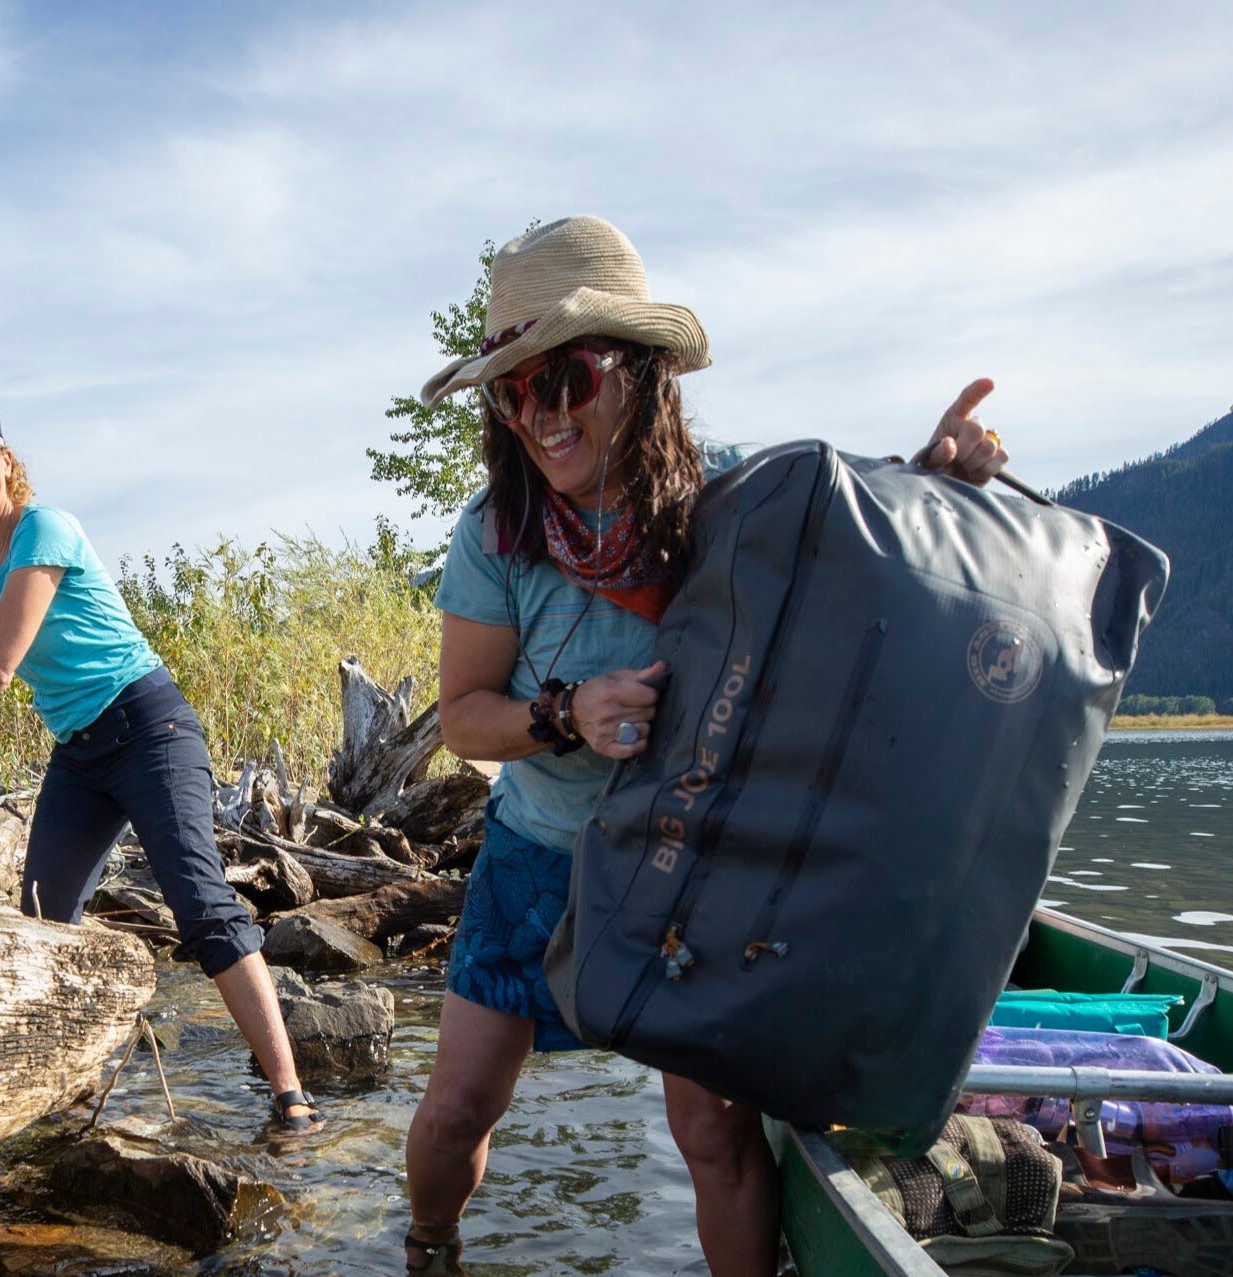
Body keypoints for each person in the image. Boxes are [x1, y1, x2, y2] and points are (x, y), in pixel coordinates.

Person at [399, 216, 1008, 1276]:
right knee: (455, 1111)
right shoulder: (493, 530)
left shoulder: (732, 500)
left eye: (568, 379)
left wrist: (939, 477)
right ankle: (428, 1248)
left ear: (635, 369)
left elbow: (872, 561)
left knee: (717, 1135)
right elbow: (462, 717)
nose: (541, 415)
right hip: (537, 856)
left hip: (693, 871)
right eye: (514, 390)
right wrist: (562, 714)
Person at [0, 390, 323, 1132]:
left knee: (202, 906)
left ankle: (291, 1099)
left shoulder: (43, 528)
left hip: (150, 726)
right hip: (81, 752)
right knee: (42, 918)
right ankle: (78, 1085)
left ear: (5, 458)